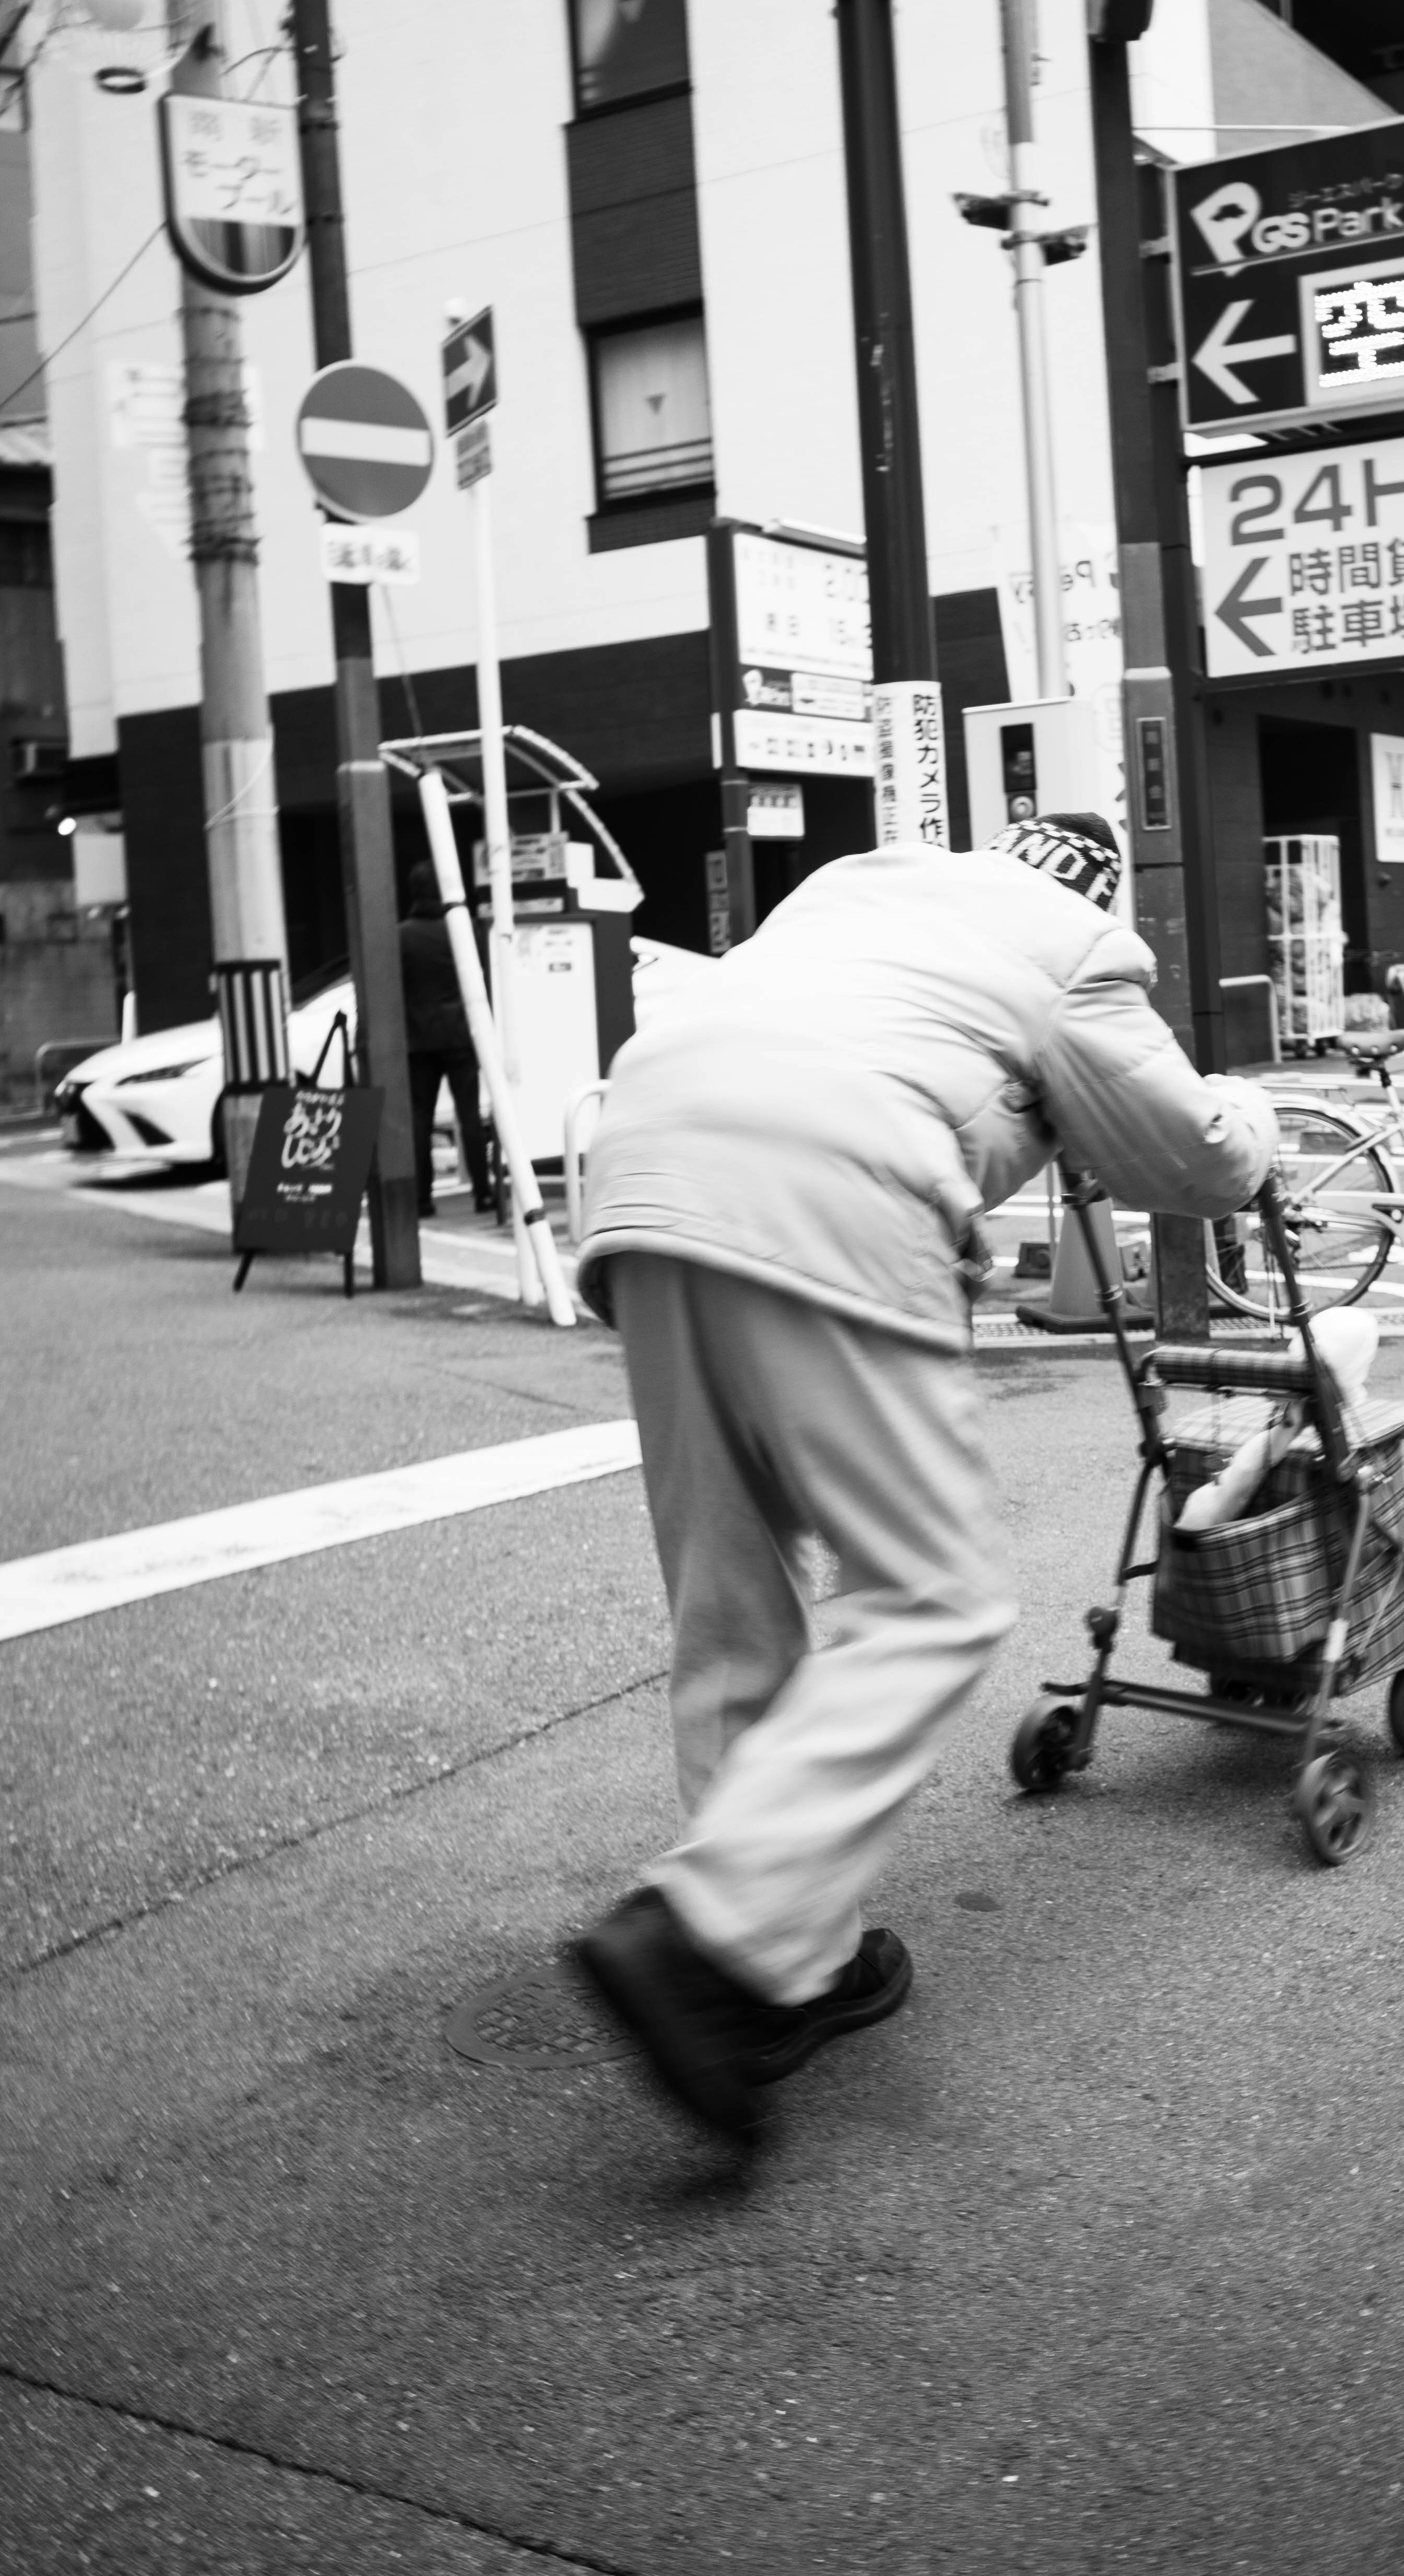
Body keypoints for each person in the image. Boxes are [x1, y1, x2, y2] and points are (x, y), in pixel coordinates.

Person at [568, 812, 1278, 2142]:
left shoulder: (853, 886)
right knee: (930, 1592)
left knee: (730, 1585)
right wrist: (1257, 1113)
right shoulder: (1077, 946)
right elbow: (1188, 1160)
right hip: (831, 1172)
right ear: (1095, 884)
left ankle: (787, 1962)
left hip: (644, 1159)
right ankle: (712, 1929)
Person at [397, 867, 492, 1216]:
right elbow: (480, 980)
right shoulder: (461, 932)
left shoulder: (402, 936)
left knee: (420, 1118)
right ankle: (483, 1194)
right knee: (469, 1115)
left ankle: (423, 1199)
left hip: (419, 1039)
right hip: (459, 1034)